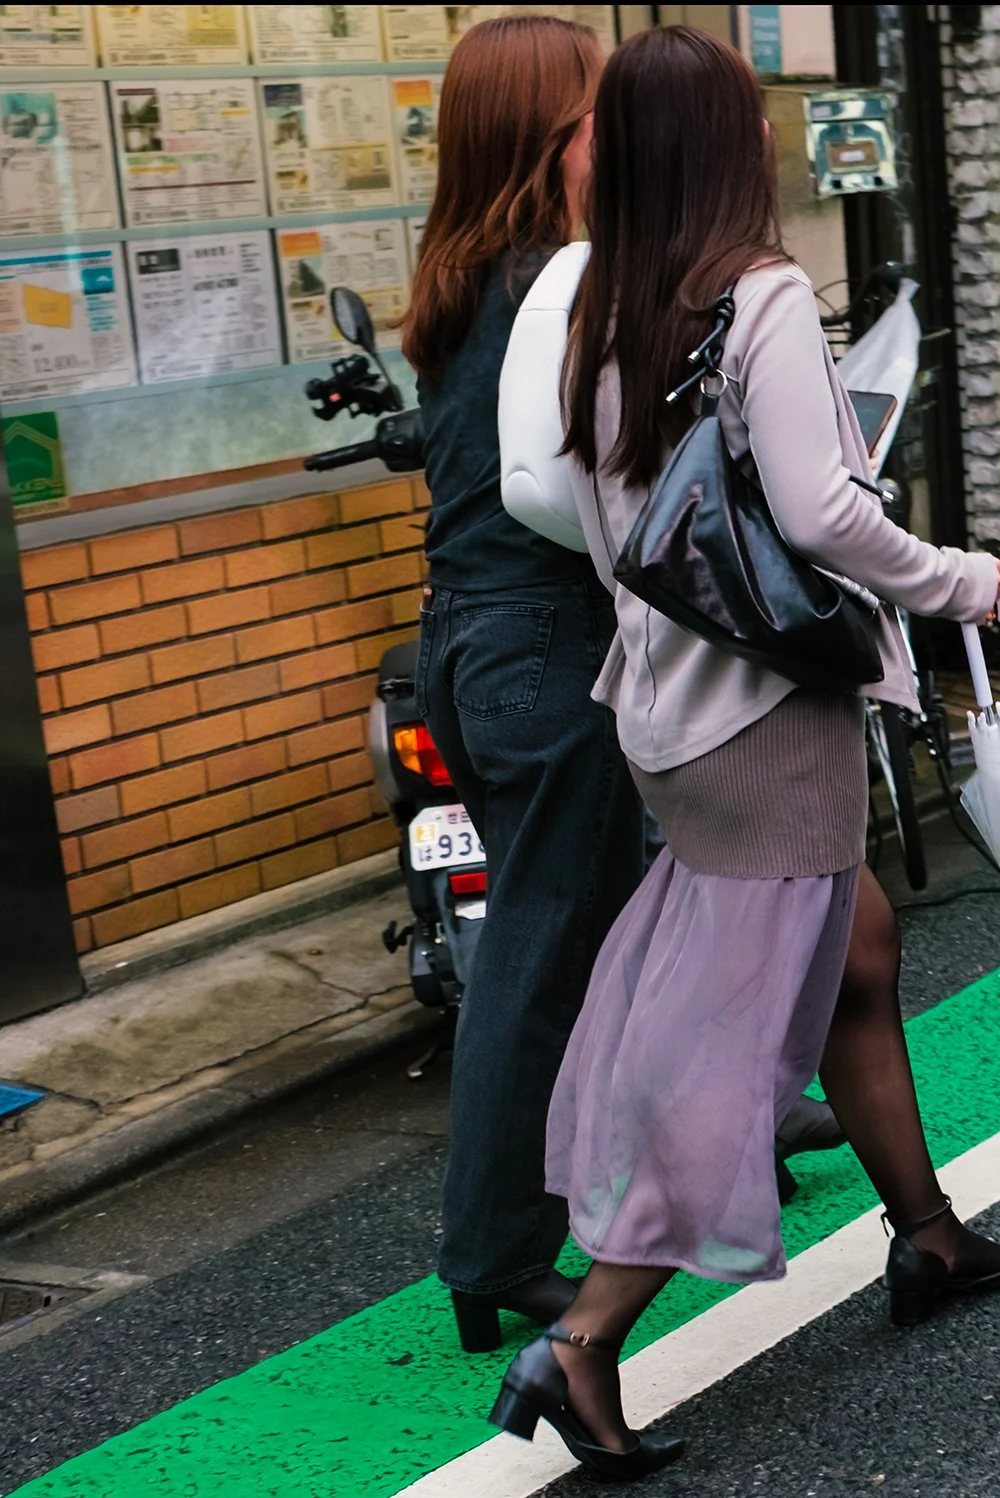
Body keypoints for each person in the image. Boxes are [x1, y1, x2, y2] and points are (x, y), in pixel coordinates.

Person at [488, 25, 1000, 1480]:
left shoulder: (603, 302)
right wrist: (959, 578)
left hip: (667, 708)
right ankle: (587, 1338)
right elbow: (822, 513)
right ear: (732, 146)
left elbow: (607, 526)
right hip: (766, 715)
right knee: (735, 1034)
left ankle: (926, 1237)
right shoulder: (762, 297)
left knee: (854, 953)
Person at [402, 16, 644, 1354]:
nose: (615, 131)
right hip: (548, 642)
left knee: (596, 927)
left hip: (469, 639)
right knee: (540, 953)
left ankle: (706, 1132)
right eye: (598, 108)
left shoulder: (457, 275)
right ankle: (494, 1249)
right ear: (555, 129)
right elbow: (577, 485)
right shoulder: (550, 283)